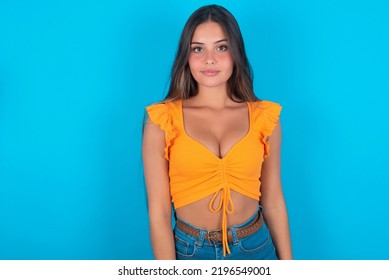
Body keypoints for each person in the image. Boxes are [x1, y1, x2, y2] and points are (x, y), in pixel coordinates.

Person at [142, 4, 292, 260]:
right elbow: (159, 213)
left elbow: (274, 201)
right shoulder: (162, 120)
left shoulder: (265, 118)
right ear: (186, 57)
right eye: (198, 48)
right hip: (190, 252)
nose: (209, 59)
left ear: (236, 53)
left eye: (221, 47)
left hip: (256, 248)